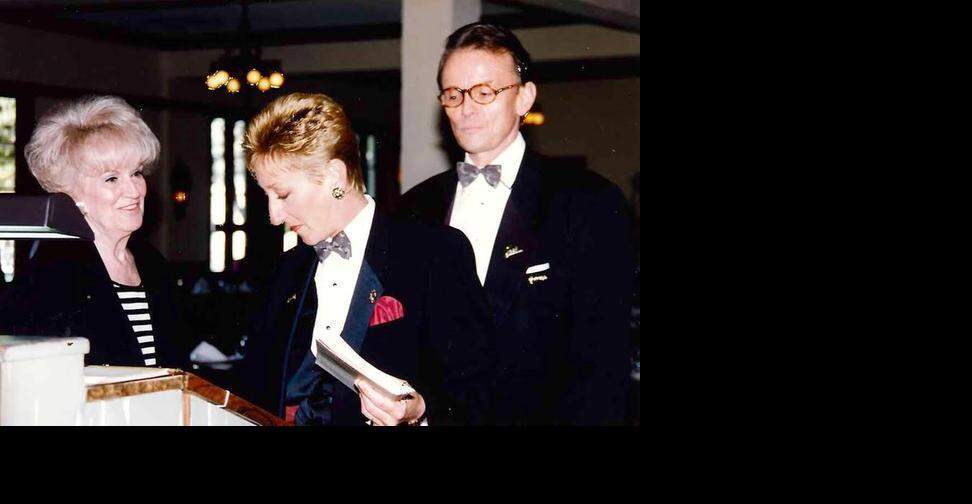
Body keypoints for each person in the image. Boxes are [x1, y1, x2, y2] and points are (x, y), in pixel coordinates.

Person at [398, 22, 634, 425]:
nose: (466, 108)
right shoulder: (414, 208)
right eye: (453, 95)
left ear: (524, 97)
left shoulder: (587, 202)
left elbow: (603, 365)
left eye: (484, 92)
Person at [236, 92, 494, 426]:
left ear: (334, 176)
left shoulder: (434, 253)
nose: (274, 216)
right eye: (268, 197)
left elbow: (480, 392)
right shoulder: (285, 270)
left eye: (283, 194)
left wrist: (420, 412)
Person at [0, 95, 188, 369]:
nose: (134, 190)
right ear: (71, 193)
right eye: (112, 178)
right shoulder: (54, 276)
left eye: (136, 173)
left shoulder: (154, 265)